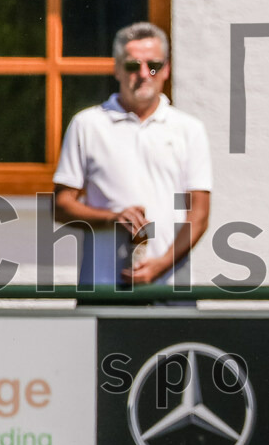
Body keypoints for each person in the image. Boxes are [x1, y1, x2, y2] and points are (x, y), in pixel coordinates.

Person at [53, 22, 212, 288]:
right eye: (131, 65)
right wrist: (112, 217)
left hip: (171, 287)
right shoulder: (88, 124)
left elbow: (200, 214)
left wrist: (160, 267)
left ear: (166, 70)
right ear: (116, 69)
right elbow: (61, 205)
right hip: (104, 285)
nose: (143, 73)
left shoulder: (189, 129)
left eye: (153, 65)